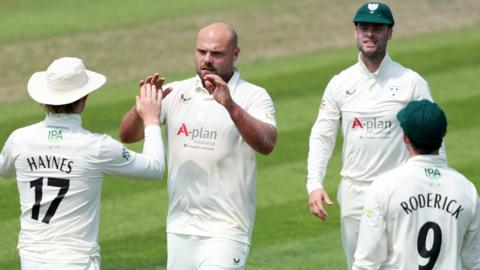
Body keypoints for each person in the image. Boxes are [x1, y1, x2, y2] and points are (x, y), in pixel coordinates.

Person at [119, 22, 277, 269]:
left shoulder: (253, 96)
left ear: (236, 55)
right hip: (180, 227)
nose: (207, 60)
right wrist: (143, 105)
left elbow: (267, 144)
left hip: (227, 229)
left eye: (216, 53)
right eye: (201, 51)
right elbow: (127, 135)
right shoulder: (176, 92)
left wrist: (230, 106)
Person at [306, 2, 446, 269]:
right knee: (360, 265)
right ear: (356, 32)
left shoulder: (411, 82)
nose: (370, 34)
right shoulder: (340, 83)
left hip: (403, 191)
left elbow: (434, 135)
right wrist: (314, 183)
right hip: (355, 193)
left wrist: (438, 184)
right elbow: (322, 136)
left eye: (377, 28)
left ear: (390, 33)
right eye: (364, 28)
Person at [0, 57, 166, 270]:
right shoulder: (97, 146)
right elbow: (155, 169)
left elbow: (4, 170)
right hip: (75, 261)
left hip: (31, 260)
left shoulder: (19, 139)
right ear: (84, 98)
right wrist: (151, 120)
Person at [353, 100, 480, 270]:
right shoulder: (467, 190)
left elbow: (366, 263)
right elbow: (474, 262)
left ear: (405, 137)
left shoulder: (384, 186)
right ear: (444, 135)